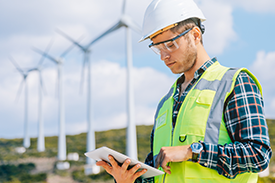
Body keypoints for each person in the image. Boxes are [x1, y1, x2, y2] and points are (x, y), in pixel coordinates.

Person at [96, 0, 272, 182]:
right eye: (157, 48)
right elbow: (160, 173)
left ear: (195, 35)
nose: (164, 56)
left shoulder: (234, 83)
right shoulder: (166, 102)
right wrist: (127, 179)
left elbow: (258, 155)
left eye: (170, 45)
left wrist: (192, 151)